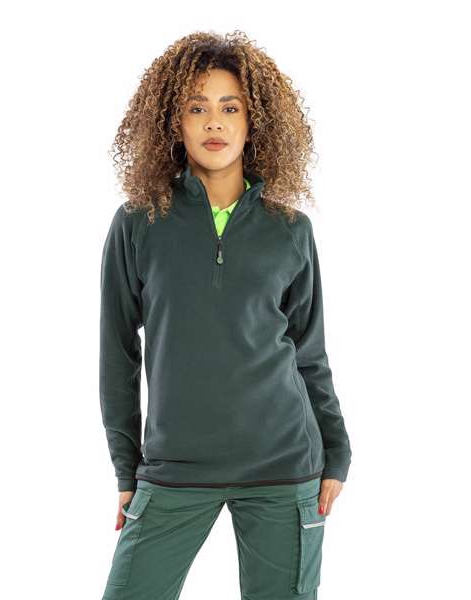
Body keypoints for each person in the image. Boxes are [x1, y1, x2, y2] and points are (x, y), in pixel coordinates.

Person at [99, 30, 352, 600]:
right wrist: (125, 467)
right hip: (174, 468)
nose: (214, 122)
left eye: (230, 107)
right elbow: (117, 354)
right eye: (197, 108)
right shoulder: (138, 224)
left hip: (284, 467)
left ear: (253, 121)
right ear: (174, 122)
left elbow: (309, 353)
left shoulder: (290, 230)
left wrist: (336, 451)